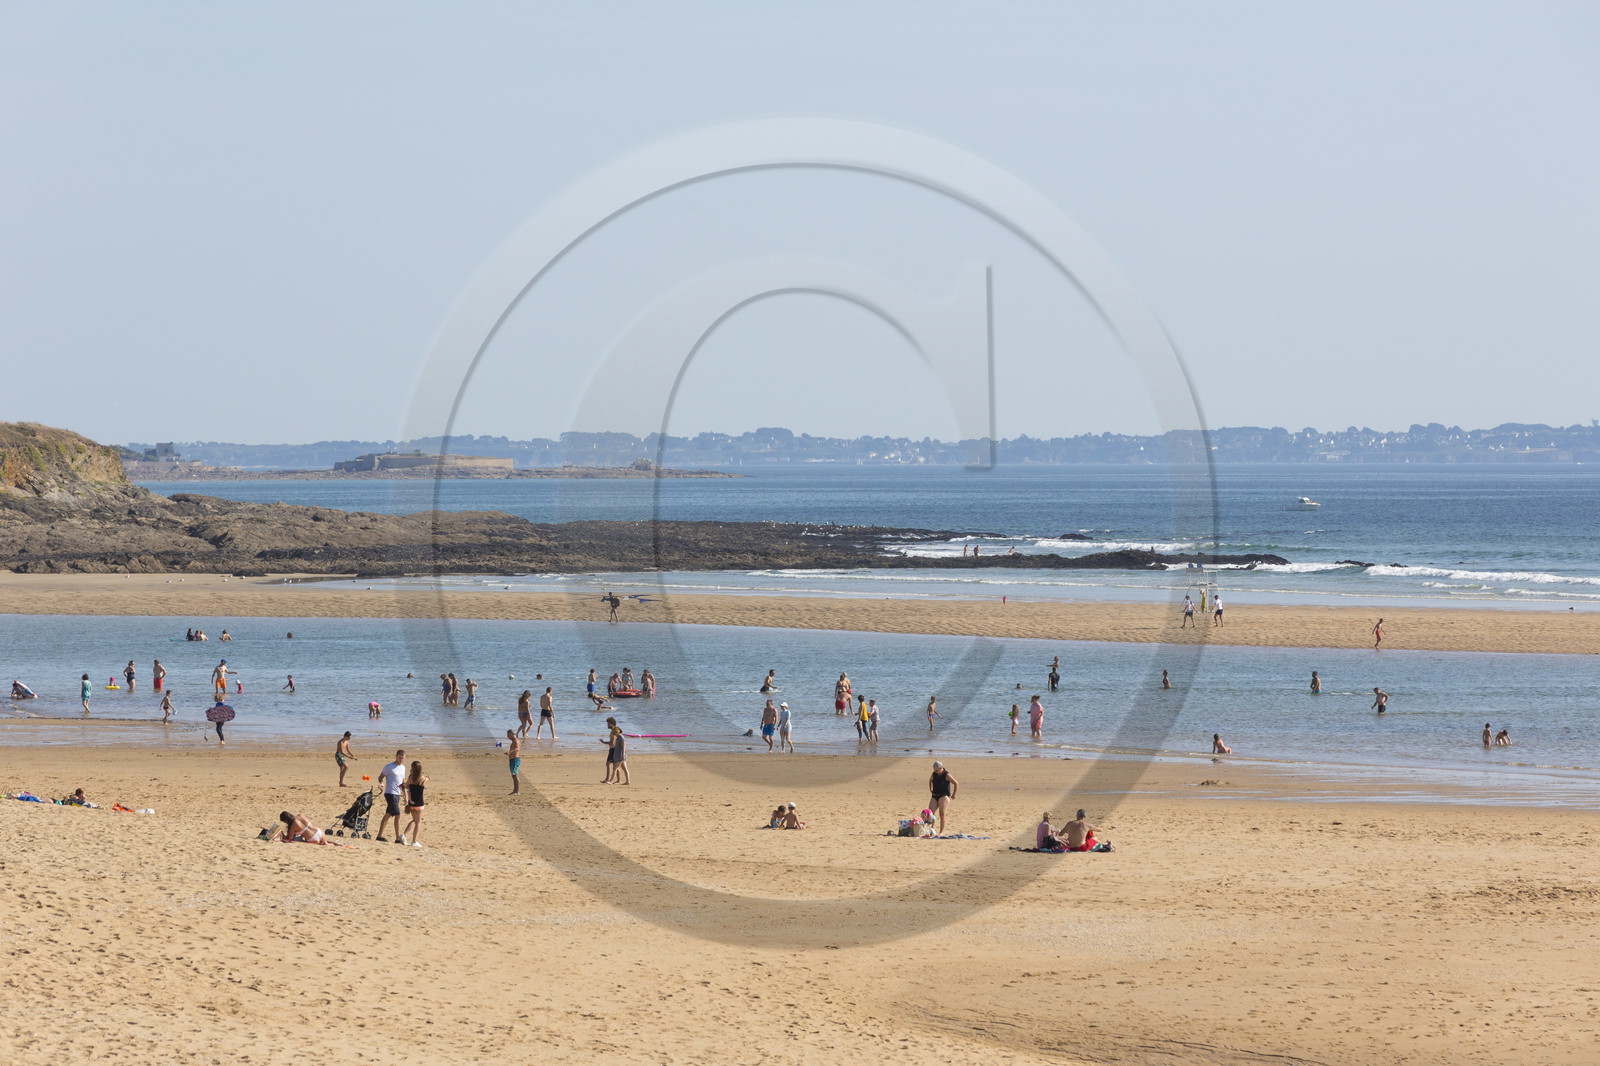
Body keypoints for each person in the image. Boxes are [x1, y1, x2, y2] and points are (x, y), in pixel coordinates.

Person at [375, 750, 407, 842]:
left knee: (388, 814)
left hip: (397, 794)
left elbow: (403, 783)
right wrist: (381, 783)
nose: (401, 760)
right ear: (396, 756)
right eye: (400, 757)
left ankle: (379, 836)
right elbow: (380, 777)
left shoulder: (403, 768)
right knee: (398, 814)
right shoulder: (389, 767)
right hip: (390, 793)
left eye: (403, 758)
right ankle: (397, 838)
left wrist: (405, 796)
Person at [928, 761, 957, 836]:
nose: (935, 771)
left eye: (937, 770)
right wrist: (931, 788)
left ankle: (941, 832)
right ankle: (932, 828)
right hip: (935, 795)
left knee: (942, 814)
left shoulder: (946, 775)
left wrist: (953, 794)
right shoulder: (934, 774)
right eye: (934, 770)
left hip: (943, 796)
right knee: (930, 813)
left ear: (941, 768)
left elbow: (956, 783)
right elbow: (930, 780)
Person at [403, 761, 428, 847]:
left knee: (414, 820)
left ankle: (404, 835)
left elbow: (406, 786)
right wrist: (428, 778)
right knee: (418, 822)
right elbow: (426, 782)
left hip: (411, 802)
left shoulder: (411, 777)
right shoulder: (423, 779)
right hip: (419, 803)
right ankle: (414, 841)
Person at [602, 717, 629, 784]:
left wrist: (603, 742)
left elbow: (613, 743)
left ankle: (609, 780)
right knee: (619, 767)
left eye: (608, 723)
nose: (607, 725)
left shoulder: (616, 733)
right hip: (616, 751)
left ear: (612, 723)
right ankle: (621, 780)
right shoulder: (615, 733)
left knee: (613, 766)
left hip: (615, 751)